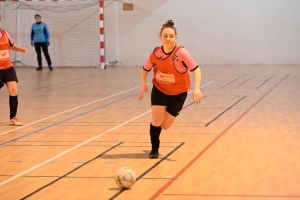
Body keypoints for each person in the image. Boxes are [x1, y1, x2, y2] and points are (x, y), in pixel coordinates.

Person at [139, 20, 203, 159]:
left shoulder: (182, 53)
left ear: (176, 38)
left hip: (178, 93)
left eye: (171, 36)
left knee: (166, 125)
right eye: (165, 36)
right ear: (160, 37)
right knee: (156, 120)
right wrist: (143, 84)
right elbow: (145, 69)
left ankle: (158, 127)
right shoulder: (156, 53)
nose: (168, 38)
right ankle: (154, 149)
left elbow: (196, 70)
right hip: (160, 89)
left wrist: (196, 88)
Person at [0, 28, 27, 125]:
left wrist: (21, 49)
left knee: (13, 91)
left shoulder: (5, 33)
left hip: (8, 67)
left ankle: (13, 117)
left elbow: (12, 46)